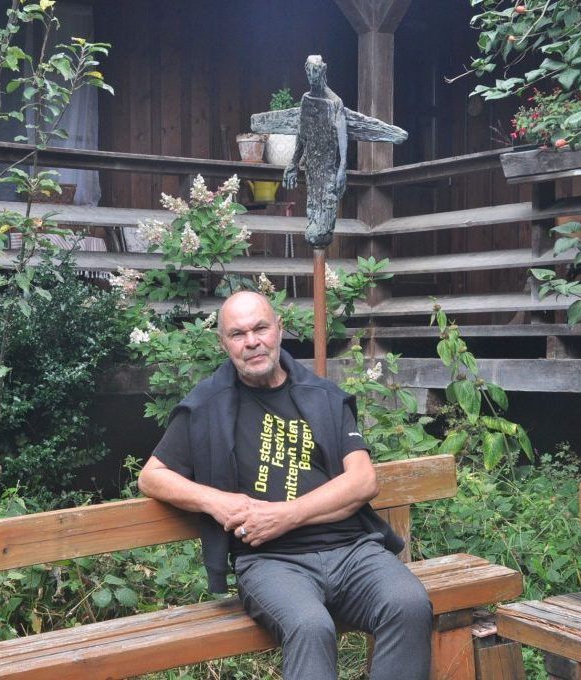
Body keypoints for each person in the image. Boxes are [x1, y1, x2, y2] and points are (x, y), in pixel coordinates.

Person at [138, 291, 432, 680]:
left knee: (409, 603)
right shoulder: (207, 405)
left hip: (352, 551)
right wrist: (216, 501)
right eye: (238, 334)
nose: (252, 342)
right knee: (310, 626)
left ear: (278, 329)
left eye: (260, 328)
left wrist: (285, 515)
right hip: (271, 563)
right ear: (224, 343)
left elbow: (363, 481)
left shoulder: (323, 396)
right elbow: (151, 476)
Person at [282, 55, 348, 248]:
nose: (312, 75)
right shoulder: (306, 99)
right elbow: (302, 135)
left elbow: (342, 135)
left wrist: (342, 167)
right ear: (305, 70)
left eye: (316, 70)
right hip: (312, 167)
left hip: (328, 167)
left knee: (325, 218)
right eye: (309, 70)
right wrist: (293, 163)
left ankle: (322, 238)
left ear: (323, 70)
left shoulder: (335, 102)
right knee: (312, 216)